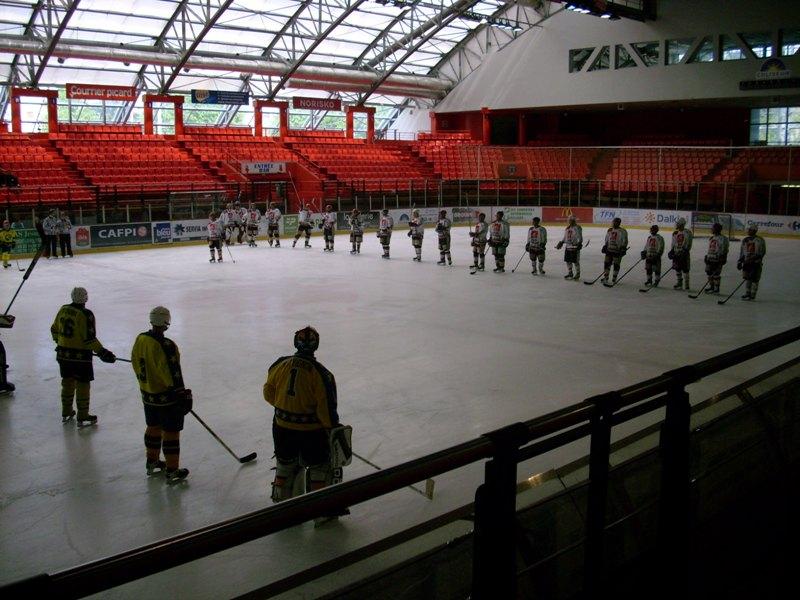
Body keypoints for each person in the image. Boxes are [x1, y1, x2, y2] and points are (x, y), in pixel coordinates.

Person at [263, 326, 342, 509]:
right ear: (316, 345)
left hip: (281, 427)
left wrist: (285, 406)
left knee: (285, 465)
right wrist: (332, 428)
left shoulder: (279, 364)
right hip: (311, 433)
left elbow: (268, 392)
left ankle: (282, 506)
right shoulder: (322, 373)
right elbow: (326, 409)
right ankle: (321, 512)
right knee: (319, 468)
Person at [131, 307, 192, 484]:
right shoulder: (167, 346)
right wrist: (182, 394)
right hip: (167, 398)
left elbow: (135, 362)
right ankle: (172, 470)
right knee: (171, 432)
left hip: (148, 395)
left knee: (153, 426)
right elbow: (172, 373)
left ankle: (152, 461)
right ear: (167, 322)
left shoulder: (141, 339)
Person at [50, 287, 115, 426]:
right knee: (83, 384)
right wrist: (103, 352)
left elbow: (54, 329)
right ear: (86, 298)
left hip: (63, 355)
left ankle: (66, 411)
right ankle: (83, 415)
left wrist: (59, 342)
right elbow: (89, 340)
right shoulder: (86, 314)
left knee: (67, 382)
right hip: (80, 358)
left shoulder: (63, 309)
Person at [738, 224, 766, 301]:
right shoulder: (745, 240)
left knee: (755, 279)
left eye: (750, 230)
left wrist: (756, 260)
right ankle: (747, 293)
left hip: (755, 263)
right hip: (746, 263)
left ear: (754, 231)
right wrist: (739, 261)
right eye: (748, 230)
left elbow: (762, 252)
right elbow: (742, 252)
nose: (748, 231)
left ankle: (752, 295)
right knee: (747, 278)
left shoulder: (760, 240)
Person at [703, 222, 729, 295]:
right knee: (709, 273)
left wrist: (723, 258)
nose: (711, 229)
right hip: (710, 258)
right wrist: (707, 256)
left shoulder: (723, 239)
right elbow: (710, 248)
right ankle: (711, 287)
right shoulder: (712, 238)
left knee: (716, 274)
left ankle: (716, 289)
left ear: (717, 229)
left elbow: (725, 249)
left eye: (713, 228)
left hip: (717, 259)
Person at [601, 217, 629, 285]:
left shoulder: (623, 231)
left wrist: (623, 248)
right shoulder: (610, 230)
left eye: (615, 222)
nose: (613, 223)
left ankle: (614, 278)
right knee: (606, 263)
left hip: (617, 250)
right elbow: (607, 238)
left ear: (618, 223)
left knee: (616, 264)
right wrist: (605, 245)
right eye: (613, 222)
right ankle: (606, 277)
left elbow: (625, 241)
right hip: (609, 249)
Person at [668, 217, 693, 290]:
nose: (677, 225)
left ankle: (687, 285)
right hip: (676, 253)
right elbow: (673, 243)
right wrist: (672, 251)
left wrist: (684, 252)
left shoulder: (687, 233)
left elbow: (688, 243)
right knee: (677, 269)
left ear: (682, 225)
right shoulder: (675, 233)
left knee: (685, 269)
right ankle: (679, 283)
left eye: (678, 224)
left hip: (684, 254)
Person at [556, 215, 583, 280]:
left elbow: (580, 236)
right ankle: (570, 273)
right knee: (568, 260)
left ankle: (578, 274)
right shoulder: (567, 228)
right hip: (568, 247)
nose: (569, 221)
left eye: (570, 220)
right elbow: (565, 237)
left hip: (575, 247)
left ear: (574, 221)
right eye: (569, 220)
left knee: (575, 261)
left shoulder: (577, 227)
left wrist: (579, 243)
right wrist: (562, 242)